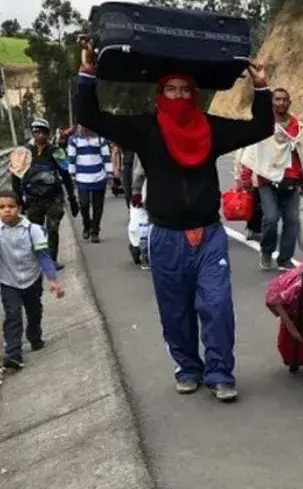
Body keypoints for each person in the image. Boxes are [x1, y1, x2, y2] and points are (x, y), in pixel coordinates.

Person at [75, 37, 275, 403]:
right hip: (165, 236)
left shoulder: (211, 129)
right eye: (172, 89)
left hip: (209, 235)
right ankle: (187, 367)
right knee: (175, 309)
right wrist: (88, 72)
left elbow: (260, 128)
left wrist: (261, 88)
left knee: (216, 306)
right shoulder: (145, 129)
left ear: (194, 94)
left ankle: (220, 373)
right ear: (160, 91)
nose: (180, 96)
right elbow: (90, 116)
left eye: (186, 90)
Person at [239, 87, 303, 271]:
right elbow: (253, 151)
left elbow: (299, 154)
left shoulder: (296, 126)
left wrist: (302, 181)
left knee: (292, 221)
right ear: (272, 102)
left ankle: (285, 258)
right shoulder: (264, 125)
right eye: (277, 99)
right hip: (267, 180)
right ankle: (267, 251)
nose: (281, 103)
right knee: (270, 218)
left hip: (291, 181)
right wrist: (245, 177)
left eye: (285, 99)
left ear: (289, 102)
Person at [0, 189, 65, 371]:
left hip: (31, 278)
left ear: (19, 208)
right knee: (12, 315)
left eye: (11, 206)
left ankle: (35, 337)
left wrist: (53, 280)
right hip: (8, 281)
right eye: (2, 207)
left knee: (34, 310)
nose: (6, 211)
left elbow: (43, 256)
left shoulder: (33, 230)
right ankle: (14, 354)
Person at [11, 118, 78, 270]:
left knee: (53, 229)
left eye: (42, 132)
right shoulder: (22, 152)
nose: (39, 135)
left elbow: (65, 175)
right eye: (36, 132)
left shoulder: (56, 151)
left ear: (47, 134)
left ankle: (51, 260)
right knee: (36, 230)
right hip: (32, 199)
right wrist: (18, 198)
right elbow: (15, 176)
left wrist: (72, 197)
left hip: (54, 197)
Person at [66, 125, 113, 243]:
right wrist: (71, 175)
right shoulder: (74, 139)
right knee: (84, 204)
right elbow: (71, 158)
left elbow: (106, 157)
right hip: (82, 178)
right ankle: (87, 225)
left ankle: (95, 231)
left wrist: (110, 174)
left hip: (99, 177)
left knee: (98, 206)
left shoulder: (100, 139)